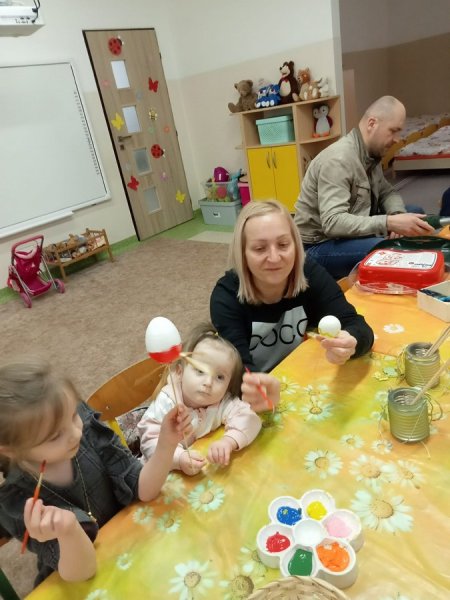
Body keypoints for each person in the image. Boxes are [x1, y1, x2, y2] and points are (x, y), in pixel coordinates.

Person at [0, 358, 192, 585]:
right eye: (55, 436)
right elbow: (84, 573)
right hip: (82, 576)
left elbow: (143, 488)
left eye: (73, 416)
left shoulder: (88, 432)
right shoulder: (18, 500)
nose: (75, 433)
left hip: (132, 539)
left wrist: (166, 444)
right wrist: (68, 531)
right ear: (9, 450)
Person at [210, 200, 374, 412]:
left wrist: (351, 342)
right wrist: (256, 389)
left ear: (296, 246)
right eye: (260, 248)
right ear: (242, 254)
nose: (274, 257)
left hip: (296, 381)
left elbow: (357, 325)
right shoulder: (226, 298)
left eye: (283, 245)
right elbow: (236, 374)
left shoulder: (310, 274)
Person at [294, 95, 435, 279]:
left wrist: (397, 215)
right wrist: (389, 223)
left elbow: (387, 192)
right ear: (372, 124)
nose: (397, 139)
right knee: (384, 249)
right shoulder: (338, 160)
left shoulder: (370, 154)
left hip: (349, 230)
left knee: (415, 213)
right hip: (319, 246)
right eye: (393, 131)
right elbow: (333, 222)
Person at [138, 322, 261, 475]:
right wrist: (179, 458)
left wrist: (229, 441)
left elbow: (250, 418)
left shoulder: (221, 401)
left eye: (219, 377)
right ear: (180, 372)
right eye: (200, 371)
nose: (208, 382)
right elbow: (149, 442)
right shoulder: (167, 403)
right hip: (158, 477)